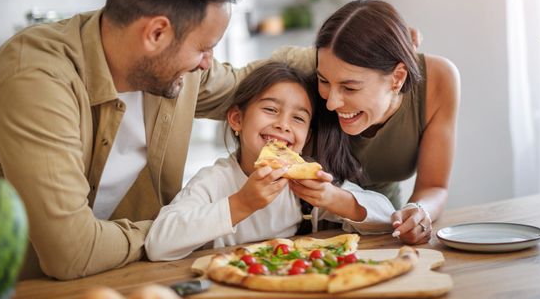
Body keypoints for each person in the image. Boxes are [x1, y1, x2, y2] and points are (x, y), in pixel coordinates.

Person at [0, 0, 259, 280]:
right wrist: (176, 232)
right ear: (156, 34)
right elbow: (72, 252)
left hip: (80, 288)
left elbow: (253, 84)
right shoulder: (36, 80)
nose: (207, 63)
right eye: (203, 48)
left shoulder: (174, 72)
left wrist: (322, 66)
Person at [145, 62, 395, 261]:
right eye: (271, 110)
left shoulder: (306, 183)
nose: (283, 125)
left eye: (298, 118)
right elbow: (158, 244)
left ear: (307, 136)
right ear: (236, 119)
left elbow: (388, 218)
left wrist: (333, 198)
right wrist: (241, 204)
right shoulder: (213, 182)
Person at [279, 0, 460, 246]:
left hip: (384, 227)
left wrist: (418, 212)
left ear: (397, 77)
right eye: (324, 81)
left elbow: (435, 186)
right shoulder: (304, 82)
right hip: (306, 236)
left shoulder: (439, 80)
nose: (331, 103)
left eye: (349, 87)